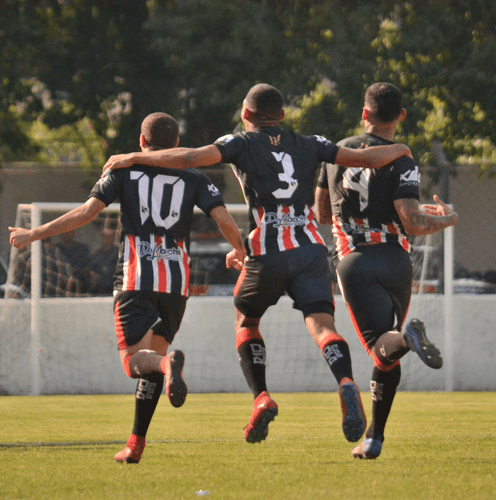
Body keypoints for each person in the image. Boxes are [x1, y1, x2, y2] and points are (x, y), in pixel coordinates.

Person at [101, 83, 414, 445]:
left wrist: (133, 158)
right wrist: (402, 149)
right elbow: (370, 159)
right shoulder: (312, 142)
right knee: (322, 324)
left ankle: (261, 396)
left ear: (245, 115)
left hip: (266, 250)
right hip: (310, 249)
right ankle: (345, 381)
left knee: (246, 320)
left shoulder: (240, 142)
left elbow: (187, 158)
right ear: (281, 115)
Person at [9, 112, 246, 464]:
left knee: (135, 362)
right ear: (177, 145)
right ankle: (136, 444)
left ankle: (168, 368)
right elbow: (225, 219)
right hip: (176, 282)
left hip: (136, 279)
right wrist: (240, 250)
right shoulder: (194, 177)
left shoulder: (123, 170)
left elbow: (88, 213)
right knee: (151, 361)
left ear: (141, 142)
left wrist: (33, 234)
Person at [315, 82, 459, 459]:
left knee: (383, 346)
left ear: (365, 114)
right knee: (386, 350)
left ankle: (406, 339)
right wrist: (447, 219)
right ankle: (374, 439)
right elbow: (410, 221)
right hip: (396, 261)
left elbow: (322, 214)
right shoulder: (403, 160)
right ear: (401, 117)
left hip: (355, 261)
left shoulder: (335, 154)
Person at [88, 225, 120, 295]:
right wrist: (93, 274)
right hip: (99, 287)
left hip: (114, 286)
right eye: (104, 237)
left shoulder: (118, 253)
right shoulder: (97, 253)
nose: (106, 239)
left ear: (113, 238)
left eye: (109, 237)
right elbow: (91, 268)